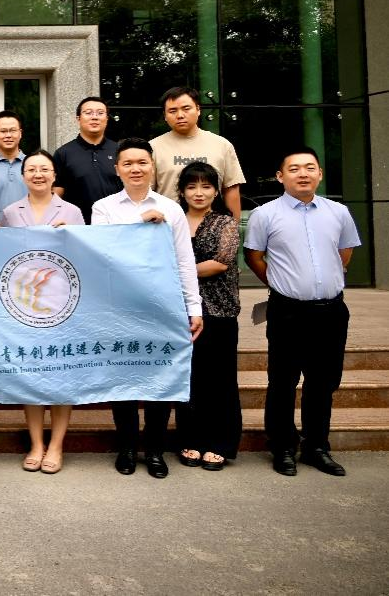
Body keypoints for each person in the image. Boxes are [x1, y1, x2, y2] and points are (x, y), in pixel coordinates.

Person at [91, 138, 203, 479]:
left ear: (152, 166)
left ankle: (155, 450)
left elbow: (184, 262)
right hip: (118, 307)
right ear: (117, 169)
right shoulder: (103, 208)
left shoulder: (172, 209)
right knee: (122, 376)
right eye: (128, 163)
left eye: (142, 162)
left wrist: (193, 306)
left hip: (162, 305)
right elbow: (102, 254)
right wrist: (141, 226)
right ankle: (127, 448)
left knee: (160, 377)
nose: (135, 169)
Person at [245, 147, 361, 478]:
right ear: (280, 176)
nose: (303, 174)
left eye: (310, 167)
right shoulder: (264, 214)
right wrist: (282, 284)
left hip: (331, 311)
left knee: (323, 382)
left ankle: (316, 447)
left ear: (320, 174)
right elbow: (254, 257)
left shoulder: (339, 212)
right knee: (282, 381)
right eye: (294, 168)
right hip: (288, 312)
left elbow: (345, 252)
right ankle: (282, 447)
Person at [0, 150, 83, 474]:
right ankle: (36, 443)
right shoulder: (10, 212)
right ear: (23, 177)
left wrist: (71, 235)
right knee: (31, 375)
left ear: (54, 175)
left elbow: (86, 257)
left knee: (62, 376)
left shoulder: (72, 211)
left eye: (44, 169)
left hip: (63, 304)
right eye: (31, 169)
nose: (37, 174)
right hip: (24, 305)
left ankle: (56, 445)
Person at [173, 162, 242, 472]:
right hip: (181, 311)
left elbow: (220, 263)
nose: (198, 193)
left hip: (219, 311)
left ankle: (220, 443)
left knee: (220, 379)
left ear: (216, 191)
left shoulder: (225, 223)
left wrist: (175, 272)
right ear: (182, 191)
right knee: (189, 379)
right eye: (191, 187)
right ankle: (190, 439)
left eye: (206, 186)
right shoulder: (172, 222)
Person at [150, 86, 246, 221]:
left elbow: (231, 189)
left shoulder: (222, 145)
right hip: (167, 225)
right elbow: (146, 193)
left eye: (186, 108)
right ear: (165, 116)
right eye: (172, 111)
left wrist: (232, 227)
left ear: (198, 109)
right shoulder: (153, 148)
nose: (180, 115)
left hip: (212, 226)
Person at [52, 96, 122, 224]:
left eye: (100, 113)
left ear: (107, 119)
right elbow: (57, 194)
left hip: (115, 224)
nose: (94, 117)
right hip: (77, 226)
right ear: (78, 119)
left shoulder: (120, 151)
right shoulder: (63, 153)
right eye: (88, 113)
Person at [0, 110, 27, 216]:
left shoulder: (33, 165)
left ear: (20, 133)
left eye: (13, 130)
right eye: (3, 131)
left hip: (32, 224)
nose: (8, 135)